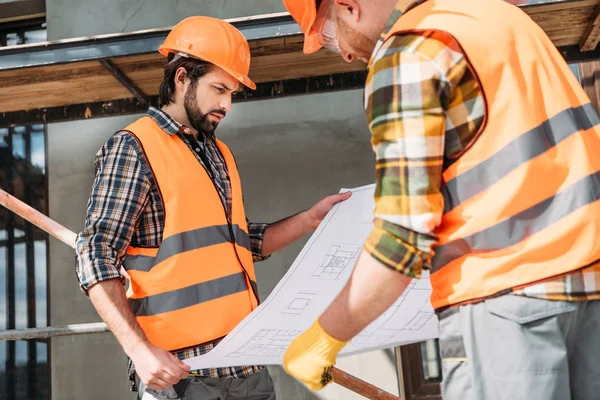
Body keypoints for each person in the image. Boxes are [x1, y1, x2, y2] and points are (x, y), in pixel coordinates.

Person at [280, 0, 600, 399]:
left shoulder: (411, 52)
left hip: (503, 305)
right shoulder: (499, 16)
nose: (345, 54)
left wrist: (325, 335)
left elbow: (403, 237)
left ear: (348, 6)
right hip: (588, 286)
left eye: (330, 36)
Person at [75, 16, 350, 400]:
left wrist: (309, 219)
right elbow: (94, 253)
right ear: (182, 78)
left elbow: (242, 244)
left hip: (249, 371)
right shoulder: (134, 147)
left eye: (233, 93)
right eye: (219, 88)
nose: (227, 104)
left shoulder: (218, 153)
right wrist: (139, 351)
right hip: (185, 375)